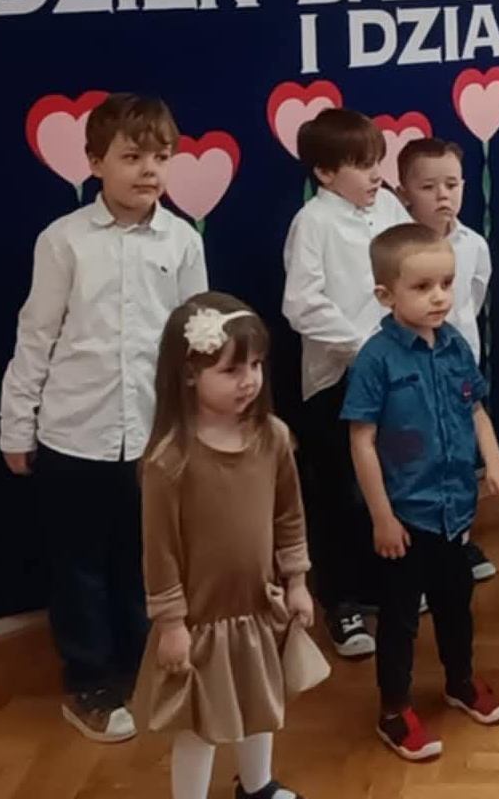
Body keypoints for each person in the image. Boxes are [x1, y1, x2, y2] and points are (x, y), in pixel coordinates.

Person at [0, 93, 206, 742]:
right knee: (80, 565)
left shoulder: (182, 240)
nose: (149, 170)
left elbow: (196, 337)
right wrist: (16, 424)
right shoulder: (63, 241)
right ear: (95, 163)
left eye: (161, 157)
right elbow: (36, 335)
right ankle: (90, 681)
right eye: (132, 157)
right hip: (75, 432)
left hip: (152, 434)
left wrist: (199, 424)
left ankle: (145, 668)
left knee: (145, 559)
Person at [134, 294, 328, 799]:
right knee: (200, 727)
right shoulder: (169, 460)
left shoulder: (273, 438)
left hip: (258, 608)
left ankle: (257, 786)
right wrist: (171, 624)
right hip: (201, 621)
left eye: (256, 365)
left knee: (261, 703)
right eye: (231, 369)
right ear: (190, 373)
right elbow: (160, 550)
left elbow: (289, 515)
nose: (249, 380)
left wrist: (297, 581)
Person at [344, 224, 499, 762]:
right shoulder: (376, 359)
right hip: (406, 517)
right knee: (400, 619)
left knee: (456, 606)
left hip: (455, 509)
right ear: (386, 295)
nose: (439, 296)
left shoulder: (455, 346)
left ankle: (460, 681)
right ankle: (394, 709)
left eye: (446, 283)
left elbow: (476, 410)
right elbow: (362, 440)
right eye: (422, 287)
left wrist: (497, 465)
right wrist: (382, 517)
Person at [281, 108, 411, 661]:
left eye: (377, 161)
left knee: (386, 485)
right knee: (340, 492)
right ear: (325, 172)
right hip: (339, 379)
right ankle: (341, 600)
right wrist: (363, 348)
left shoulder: (390, 208)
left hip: (396, 373)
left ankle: (383, 582)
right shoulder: (313, 222)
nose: (375, 174)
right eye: (360, 165)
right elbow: (302, 304)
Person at [395, 137, 497, 584]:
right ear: (404, 193)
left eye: (452, 185)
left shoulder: (473, 244)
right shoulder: (393, 248)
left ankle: (459, 540)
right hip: (411, 373)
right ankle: (412, 558)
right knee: (415, 460)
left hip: (458, 369)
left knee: (458, 457)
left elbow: (473, 298)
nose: (442, 196)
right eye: (428, 187)